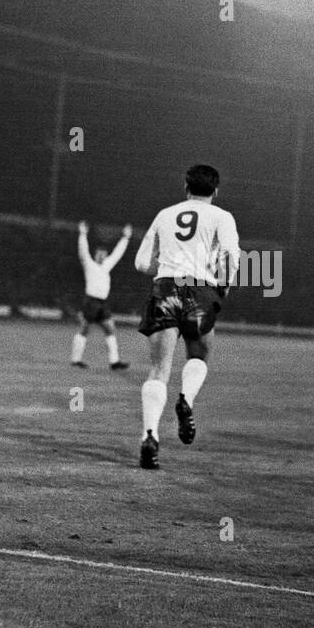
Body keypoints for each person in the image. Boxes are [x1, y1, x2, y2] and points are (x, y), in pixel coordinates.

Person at [132, 165, 240, 470]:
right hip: (201, 289)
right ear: (216, 191)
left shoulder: (164, 214)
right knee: (199, 356)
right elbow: (232, 254)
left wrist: (167, 268)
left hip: (165, 287)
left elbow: (141, 263)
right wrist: (225, 285)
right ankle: (186, 400)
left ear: (185, 186)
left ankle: (149, 437)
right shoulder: (222, 217)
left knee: (158, 370)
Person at [71, 220, 131, 369]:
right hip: (91, 302)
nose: (102, 256)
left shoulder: (107, 265)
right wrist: (82, 234)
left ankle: (114, 362)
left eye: (104, 254)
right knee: (85, 328)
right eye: (99, 253)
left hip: (102, 303)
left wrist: (125, 238)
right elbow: (82, 251)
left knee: (110, 328)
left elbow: (118, 253)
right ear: (95, 254)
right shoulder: (89, 265)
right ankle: (76, 359)